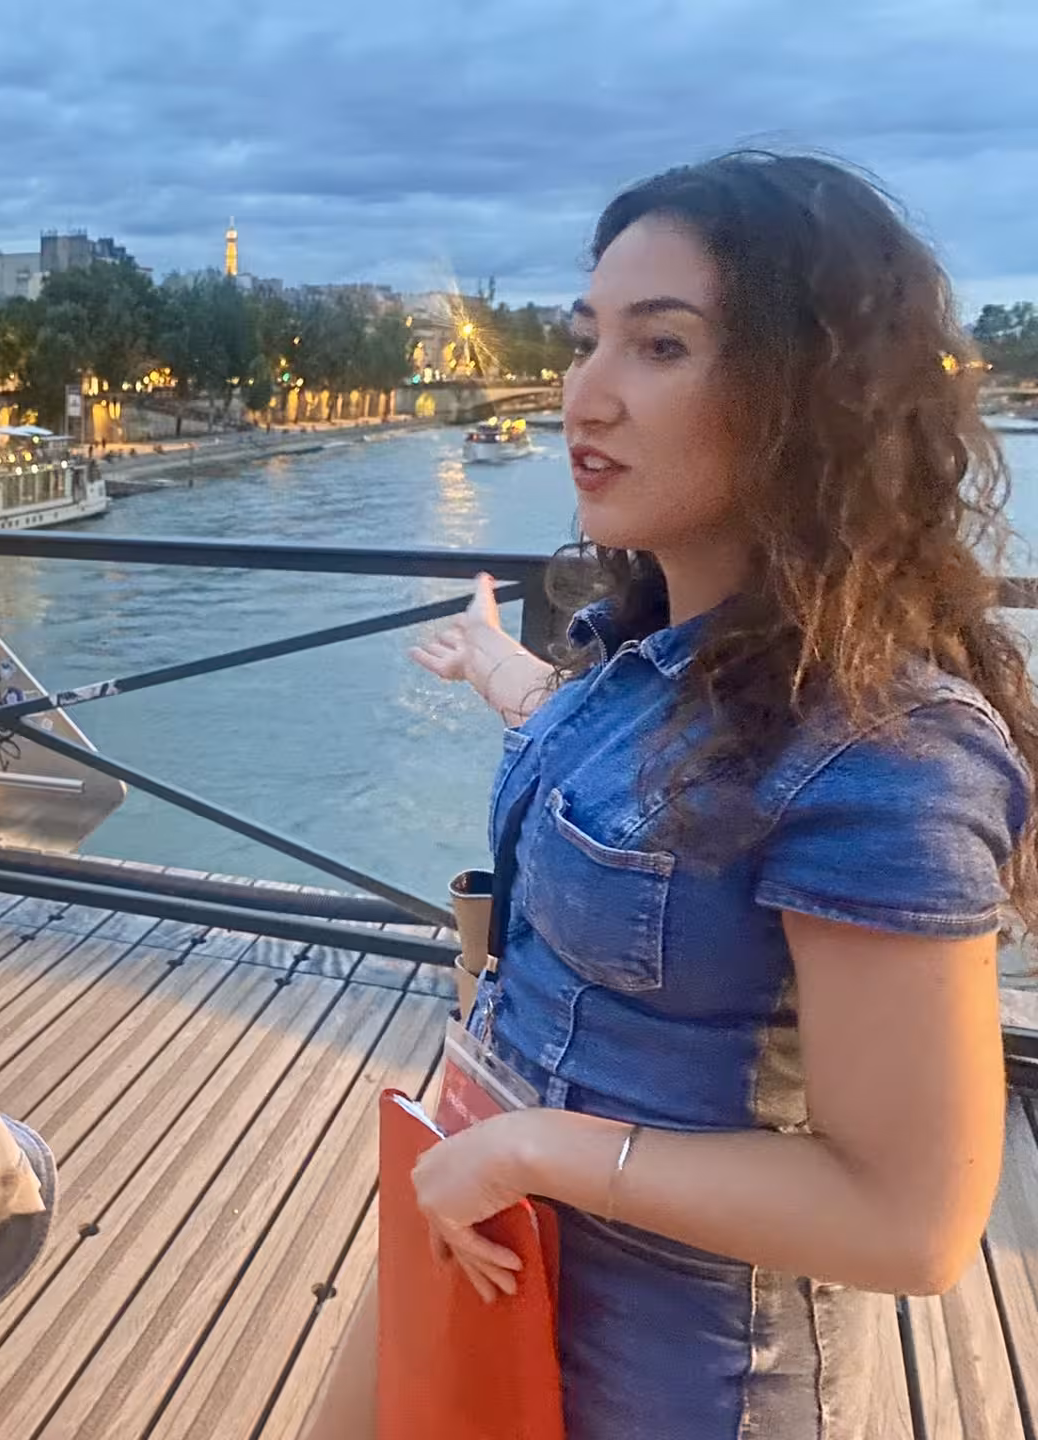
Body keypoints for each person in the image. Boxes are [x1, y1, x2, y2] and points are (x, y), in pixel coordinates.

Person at [397, 151, 1037, 1437]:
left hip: (676, 1382)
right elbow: (623, 785)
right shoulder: (644, 665)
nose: (585, 393)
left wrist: (535, 1147)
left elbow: (912, 1221)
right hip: (496, 1270)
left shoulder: (885, 749)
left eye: (661, 346)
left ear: (808, 397)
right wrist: (496, 667)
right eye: (584, 340)